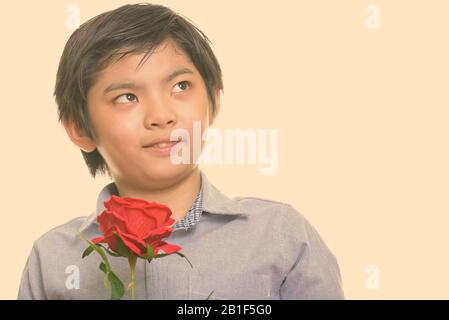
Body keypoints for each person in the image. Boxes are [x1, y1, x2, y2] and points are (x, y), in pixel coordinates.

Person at [17, 3, 344, 300]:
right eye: (127, 97)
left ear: (213, 101)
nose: (161, 116)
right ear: (79, 128)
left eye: (181, 86)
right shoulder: (52, 259)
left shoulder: (280, 236)